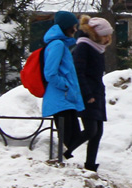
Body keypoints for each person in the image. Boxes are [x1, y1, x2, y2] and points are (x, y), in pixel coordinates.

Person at [69, 15, 112, 173]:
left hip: (97, 92)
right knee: (90, 130)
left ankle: (90, 165)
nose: (107, 39)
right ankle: (66, 151)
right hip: (88, 93)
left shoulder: (98, 47)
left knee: (98, 132)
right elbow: (79, 72)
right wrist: (88, 94)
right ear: (95, 34)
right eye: (104, 35)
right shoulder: (84, 47)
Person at [42, 10, 85, 160]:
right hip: (60, 98)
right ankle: (66, 166)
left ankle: (69, 164)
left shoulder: (60, 45)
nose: (75, 29)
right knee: (70, 139)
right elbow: (50, 73)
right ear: (66, 27)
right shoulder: (58, 45)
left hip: (64, 99)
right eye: (73, 26)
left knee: (73, 137)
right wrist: (65, 86)